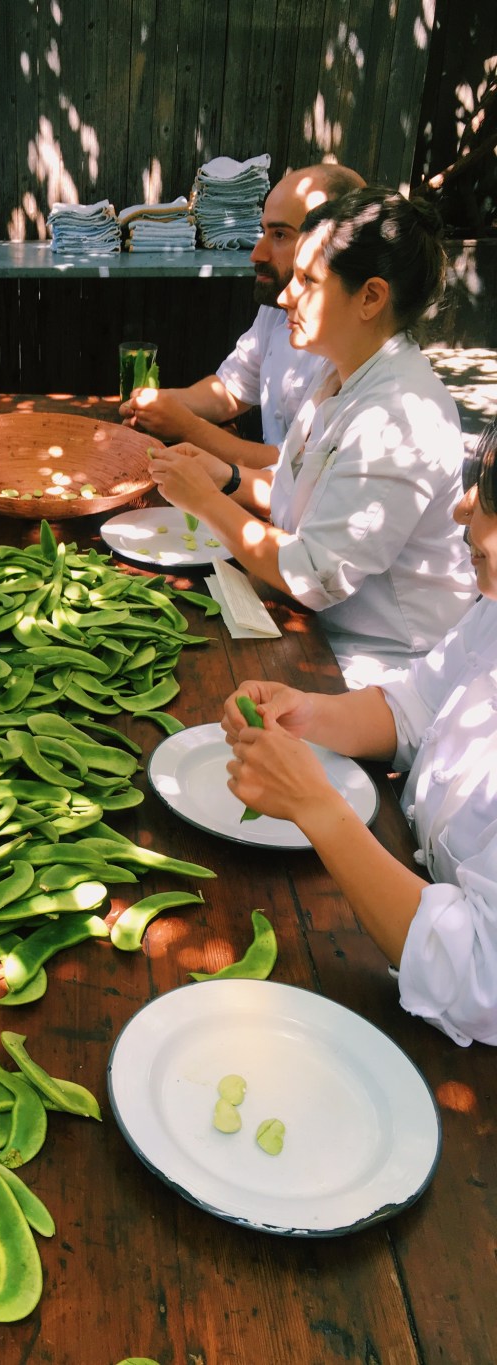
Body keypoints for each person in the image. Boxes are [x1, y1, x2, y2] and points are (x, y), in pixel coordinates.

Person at [221, 417, 497, 1047]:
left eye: (488, 492)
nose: (461, 507)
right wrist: (305, 712)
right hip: (407, 884)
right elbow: (416, 707)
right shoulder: (494, 610)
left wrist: (316, 807)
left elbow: (476, 976)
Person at [147, 187, 474, 686]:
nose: (284, 296)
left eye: (308, 280)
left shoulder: (400, 419)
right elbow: (309, 489)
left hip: (377, 667)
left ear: (370, 297)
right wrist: (227, 477)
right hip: (312, 627)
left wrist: (206, 500)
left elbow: (315, 575)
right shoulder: (342, 374)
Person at [120, 163, 365, 467]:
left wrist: (188, 428)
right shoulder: (276, 309)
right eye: (263, 232)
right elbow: (230, 389)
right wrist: (160, 405)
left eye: (280, 235)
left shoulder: (357, 348)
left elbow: (298, 471)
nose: (256, 254)